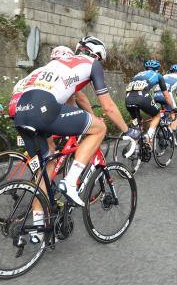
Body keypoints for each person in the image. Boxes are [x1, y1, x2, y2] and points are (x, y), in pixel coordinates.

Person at [10, 36, 130, 216]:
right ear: (96, 55)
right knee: (99, 128)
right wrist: (129, 131)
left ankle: (38, 229)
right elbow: (108, 107)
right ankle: (71, 181)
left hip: (20, 110)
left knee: (45, 171)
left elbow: (70, 101)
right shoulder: (92, 64)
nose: (101, 65)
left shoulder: (55, 64)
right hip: (43, 108)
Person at [124, 59, 176, 145]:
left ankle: (137, 149)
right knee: (157, 115)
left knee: (137, 125)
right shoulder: (158, 75)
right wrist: (174, 108)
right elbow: (167, 96)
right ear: (157, 68)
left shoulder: (137, 75)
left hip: (128, 99)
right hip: (142, 97)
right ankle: (148, 136)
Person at [156, 64, 177, 134]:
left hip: (156, 95)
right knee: (175, 114)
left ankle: (164, 128)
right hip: (166, 95)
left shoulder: (164, 76)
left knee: (165, 111)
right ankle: (172, 136)